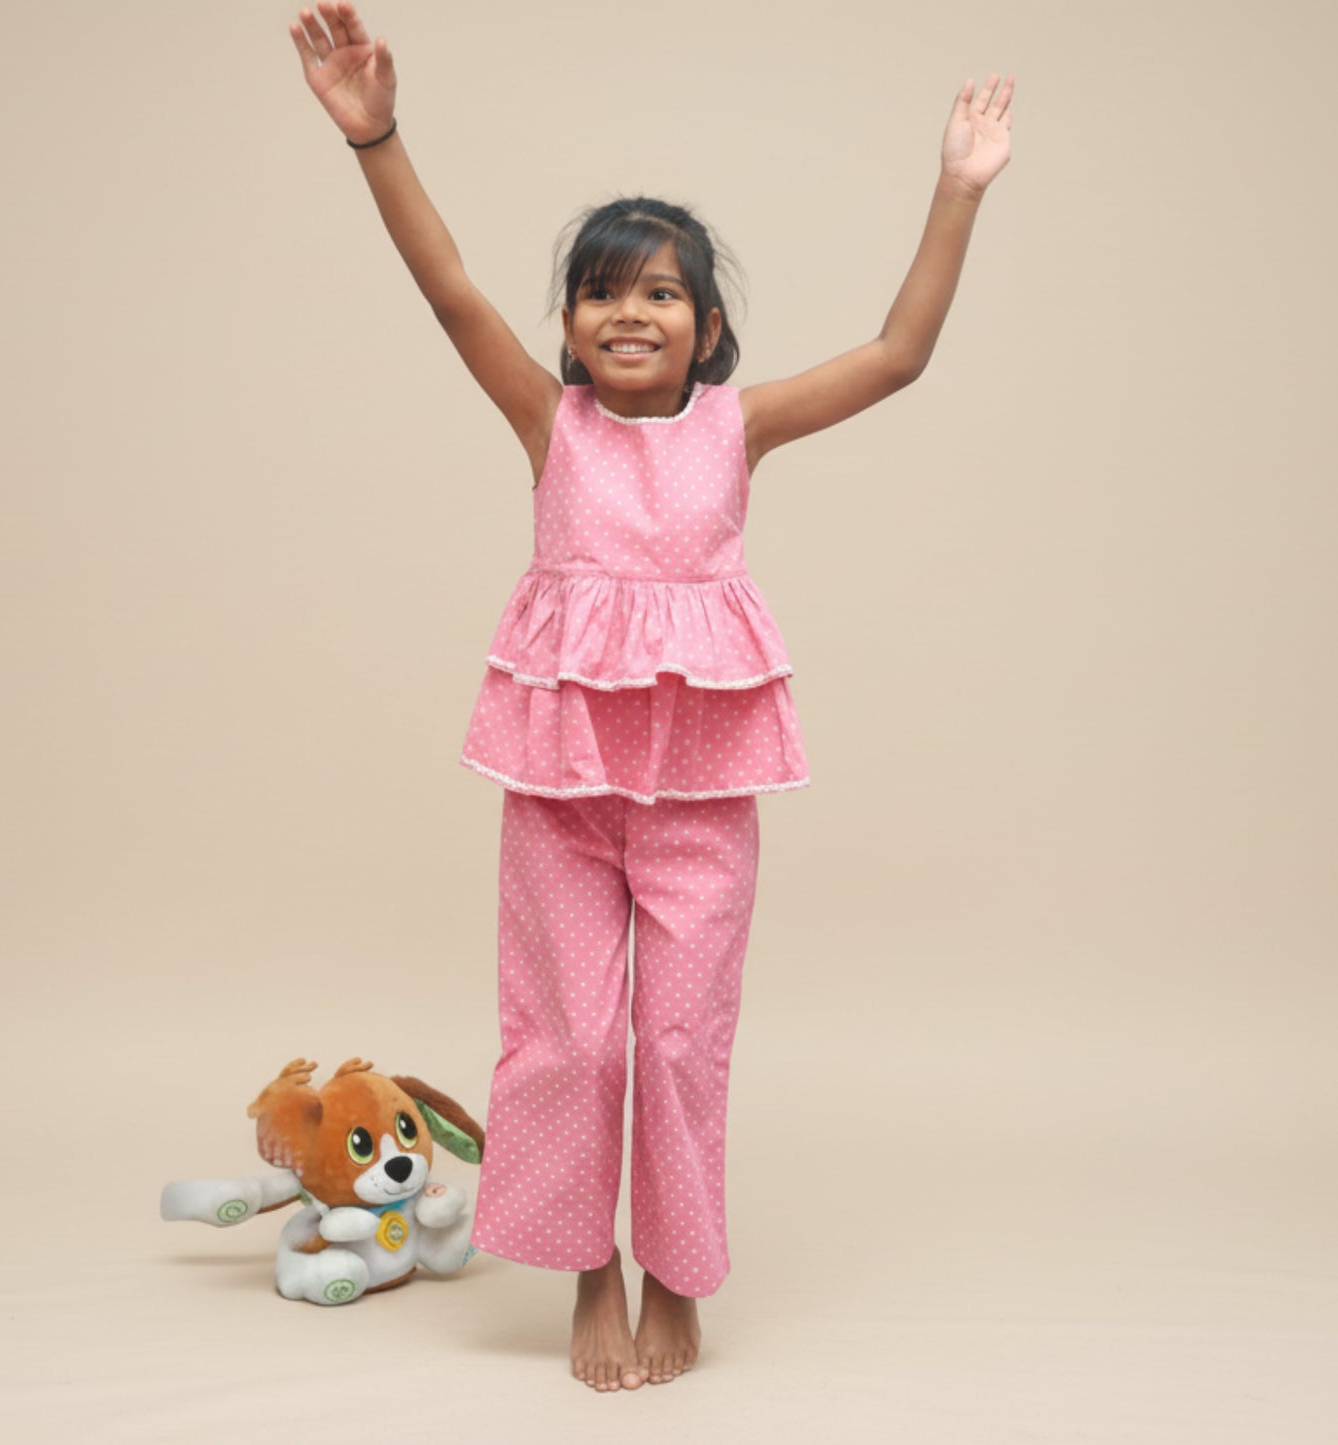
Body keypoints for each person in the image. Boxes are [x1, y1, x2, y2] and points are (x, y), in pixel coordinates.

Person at [289, 0, 1013, 1393]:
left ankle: (678, 1266)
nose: (631, 310)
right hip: (561, 788)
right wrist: (375, 135)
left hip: (698, 789)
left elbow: (898, 352)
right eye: (604, 290)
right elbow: (447, 288)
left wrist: (953, 191)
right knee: (566, 1036)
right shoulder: (541, 417)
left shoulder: (739, 429)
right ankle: (590, 1270)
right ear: (568, 324)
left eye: (662, 292)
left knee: (677, 1038)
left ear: (709, 327)